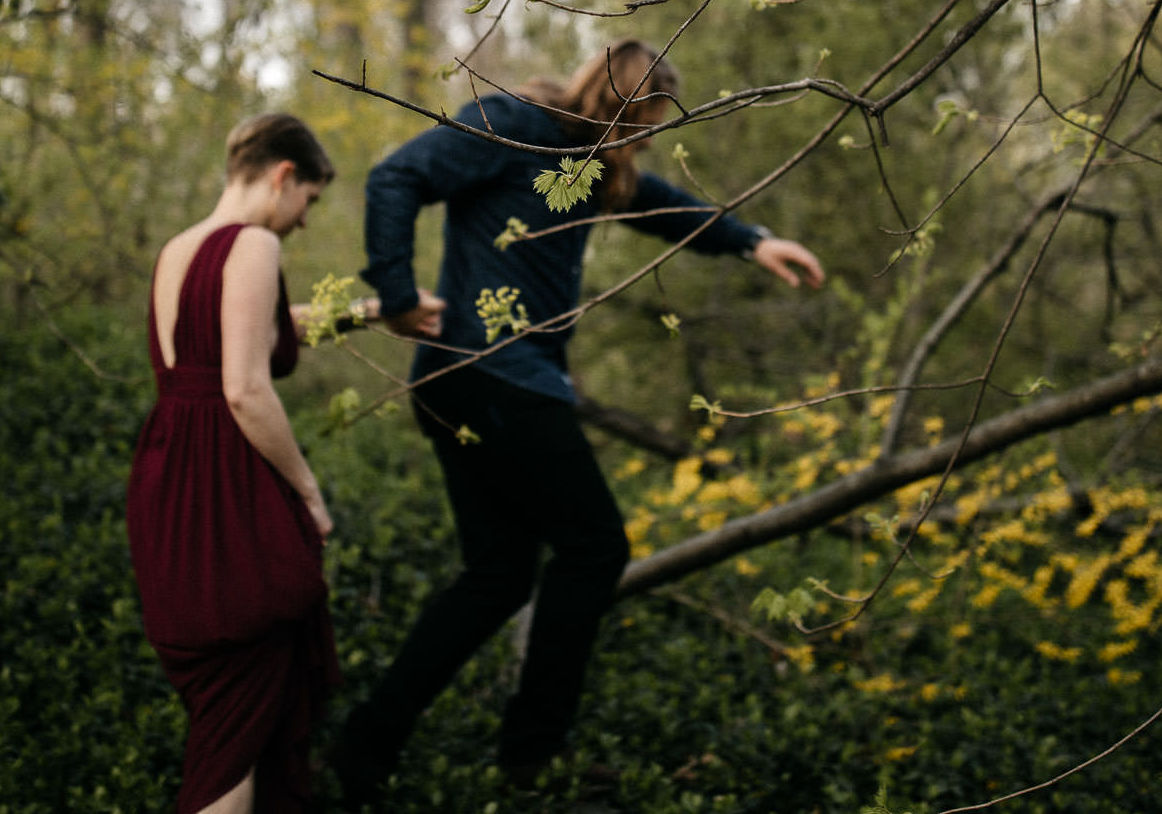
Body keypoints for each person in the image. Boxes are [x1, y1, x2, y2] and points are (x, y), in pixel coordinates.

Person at [335, 40, 824, 800]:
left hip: (466, 383)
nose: (648, 140)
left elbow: (660, 204)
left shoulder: (587, 165)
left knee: (497, 576)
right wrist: (396, 295)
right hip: (493, 373)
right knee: (595, 549)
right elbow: (396, 175)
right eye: (645, 123)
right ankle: (532, 755)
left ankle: (368, 742)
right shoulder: (511, 126)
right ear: (618, 103)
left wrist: (753, 240)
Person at [126, 113, 361, 814]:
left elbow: (262, 331)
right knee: (236, 730)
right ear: (284, 176)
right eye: (310, 203)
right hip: (227, 498)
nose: (305, 223)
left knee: (229, 722)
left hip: (171, 483)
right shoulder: (254, 244)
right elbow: (245, 388)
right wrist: (310, 493)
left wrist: (371, 312)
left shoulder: (178, 249)